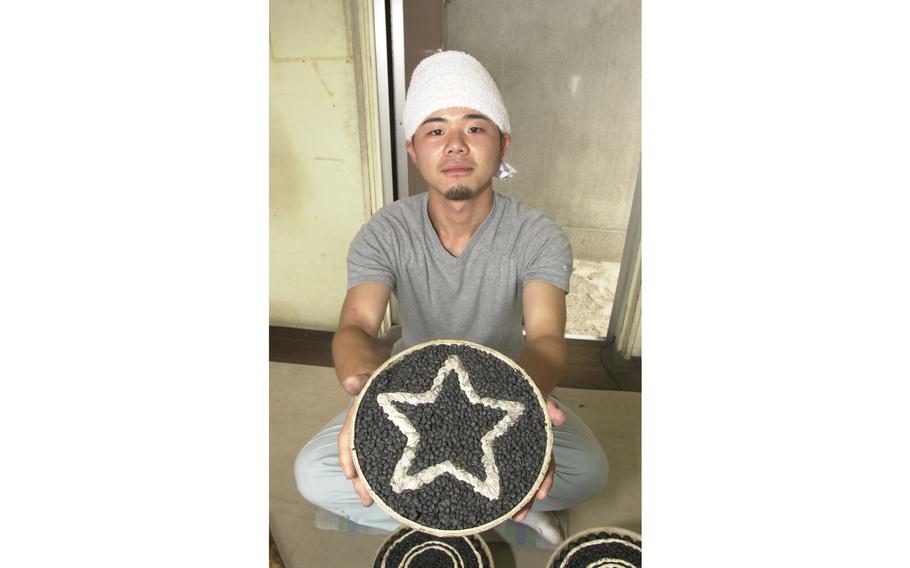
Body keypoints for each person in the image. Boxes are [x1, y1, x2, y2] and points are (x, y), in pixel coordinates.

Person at [294, 51, 608, 545]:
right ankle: (493, 515)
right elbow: (356, 325)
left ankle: (453, 514)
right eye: (436, 130)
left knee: (589, 472)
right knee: (313, 473)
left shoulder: (538, 234)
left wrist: (524, 406)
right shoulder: (386, 230)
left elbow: (545, 337)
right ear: (414, 151)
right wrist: (365, 394)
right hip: (407, 387)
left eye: (475, 129)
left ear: (502, 144)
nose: (456, 145)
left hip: (507, 386)